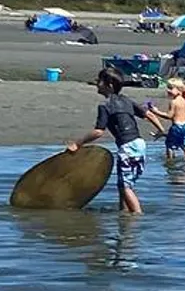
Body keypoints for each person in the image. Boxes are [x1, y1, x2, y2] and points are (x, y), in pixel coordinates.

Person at [65, 66, 155, 214]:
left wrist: (77, 143)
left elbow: (99, 132)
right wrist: (161, 130)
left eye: (100, 81)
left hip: (127, 148)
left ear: (109, 85)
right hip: (140, 144)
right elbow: (149, 115)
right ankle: (123, 212)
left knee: (125, 187)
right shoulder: (126, 100)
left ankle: (138, 216)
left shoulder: (105, 106)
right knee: (124, 184)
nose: (97, 83)